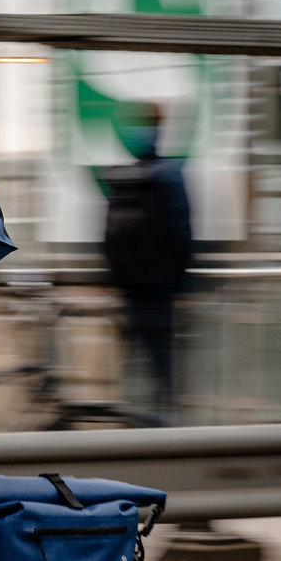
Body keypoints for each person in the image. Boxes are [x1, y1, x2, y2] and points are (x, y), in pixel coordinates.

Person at [101, 103, 193, 420]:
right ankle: (164, 420)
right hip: (161, 285)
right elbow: (182, 230)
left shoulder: (123, 177)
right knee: (163, 356)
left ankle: (135, 420)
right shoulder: (170, 175)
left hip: (129, 283)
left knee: (135, 352)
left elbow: (107, 235)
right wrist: (182, 283)